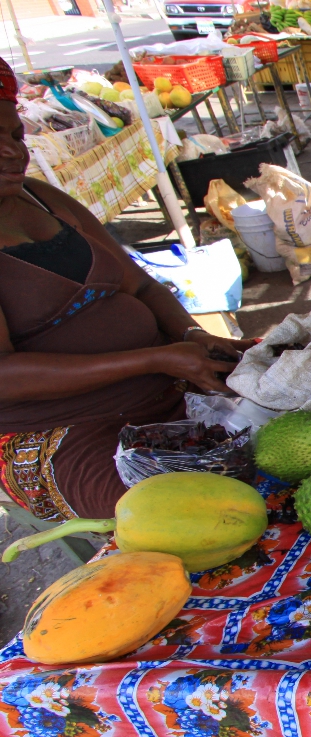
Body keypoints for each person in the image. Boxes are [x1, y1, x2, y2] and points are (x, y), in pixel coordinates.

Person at [0, 55, 252, 523]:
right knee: (201, 516)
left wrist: (193, 337)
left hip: (172, 385)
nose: (13, 152)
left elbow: (138, 284)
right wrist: (154, 358)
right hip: (66, 433)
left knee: (309, 428)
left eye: (15, 136)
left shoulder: (43, 196)